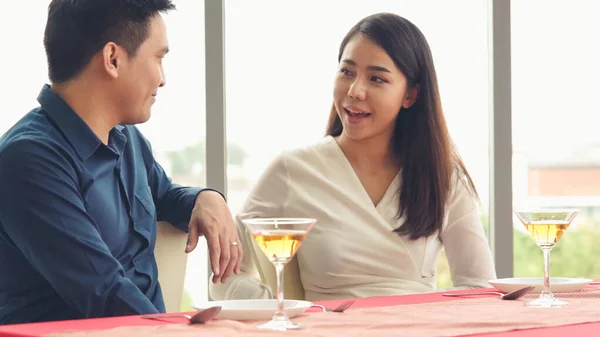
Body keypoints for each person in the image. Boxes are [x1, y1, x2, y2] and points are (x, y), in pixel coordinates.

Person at [209, 12, 496, 302]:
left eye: (376, 79)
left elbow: (480, 287)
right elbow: (224, 277)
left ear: (410, 95)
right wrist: (284, 309)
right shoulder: (292, 172)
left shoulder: (444, 177)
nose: (355, 90)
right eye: (347, 72)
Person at [0, 0, 242, 324]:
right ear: (113, 59)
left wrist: (203, 198)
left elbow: (164, 194)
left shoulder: (125, 138)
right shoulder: (29, 161)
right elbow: (104, 293)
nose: (162, 79)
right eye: (158, 58)